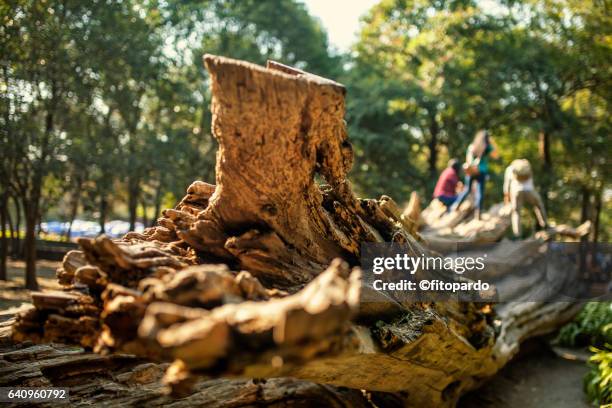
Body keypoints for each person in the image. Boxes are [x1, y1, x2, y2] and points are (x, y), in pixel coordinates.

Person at [450, 130, 499, 219]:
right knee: (480, 192)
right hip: (481, 171)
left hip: (471, 171)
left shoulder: (472, 146)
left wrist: (472, 166)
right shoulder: (487, 147)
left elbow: (468, 160)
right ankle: (478, 213)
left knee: (467, 189)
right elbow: (496, 155)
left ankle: (456, 205)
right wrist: (493, 143)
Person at [503, 158, 547, 237]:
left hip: (516, 191)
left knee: (516, 212)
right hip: (529, 190)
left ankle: (517, 235)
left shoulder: (510, 168)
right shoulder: (527, 166)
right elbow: (531, 180)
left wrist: (507, 199)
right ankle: (544, 224)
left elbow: (506, 186)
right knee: (539, 205)